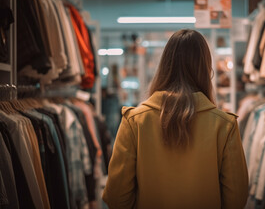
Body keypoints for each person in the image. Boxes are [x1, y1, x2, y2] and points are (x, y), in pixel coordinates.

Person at [102, 29, 249, 209]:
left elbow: (116, 197)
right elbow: (236, 199)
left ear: (165, 65)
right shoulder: (224, 125)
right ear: (205, 68)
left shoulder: (135, 121)